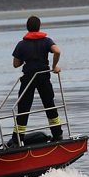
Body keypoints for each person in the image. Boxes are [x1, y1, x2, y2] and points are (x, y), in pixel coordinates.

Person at [11, 15, 64, 144]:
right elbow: (57, 51)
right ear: (39, 27)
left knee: (23, 107)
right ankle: (57, 135)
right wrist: (54, 66)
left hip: (29, 77)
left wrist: (26, 57)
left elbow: (16, 64)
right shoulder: (46, 41)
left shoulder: (21, 44)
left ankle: (18, 140)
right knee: (49, 104)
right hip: (43, 76)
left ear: (27, 28)